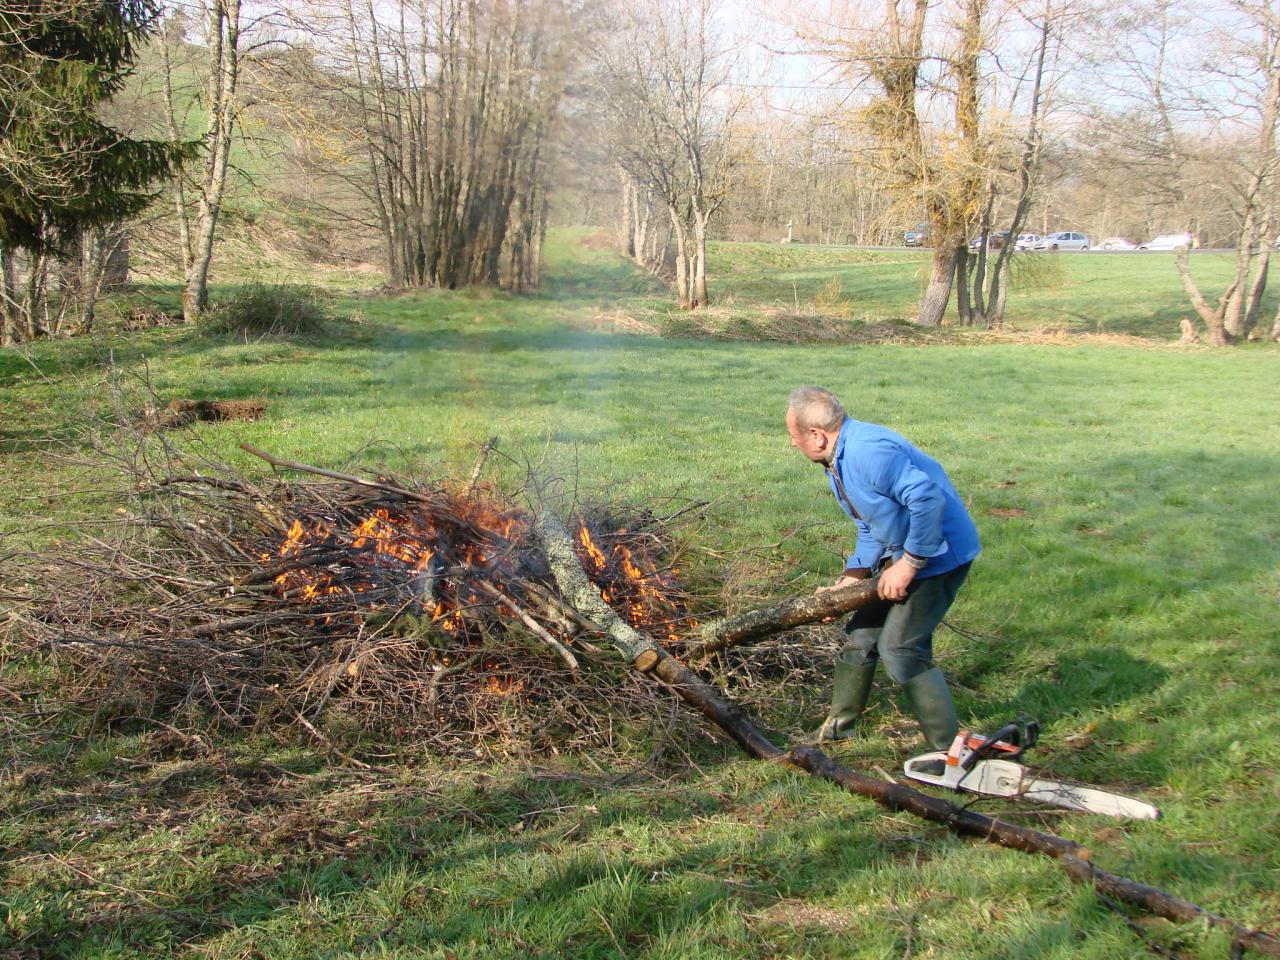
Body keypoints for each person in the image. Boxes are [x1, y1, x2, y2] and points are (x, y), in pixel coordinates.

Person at [785, 386, 981, 749]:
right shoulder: (837, 460)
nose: (793, 444)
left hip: (939, 555)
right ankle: (837, 734)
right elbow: (872, 522)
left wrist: (908, 564)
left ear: (816, 434)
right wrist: (852, 577)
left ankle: (951, 750)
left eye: (794, 435)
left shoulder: (867, 452)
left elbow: (926, 499)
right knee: (859, 638)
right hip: (909, 552)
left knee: (901, 649)